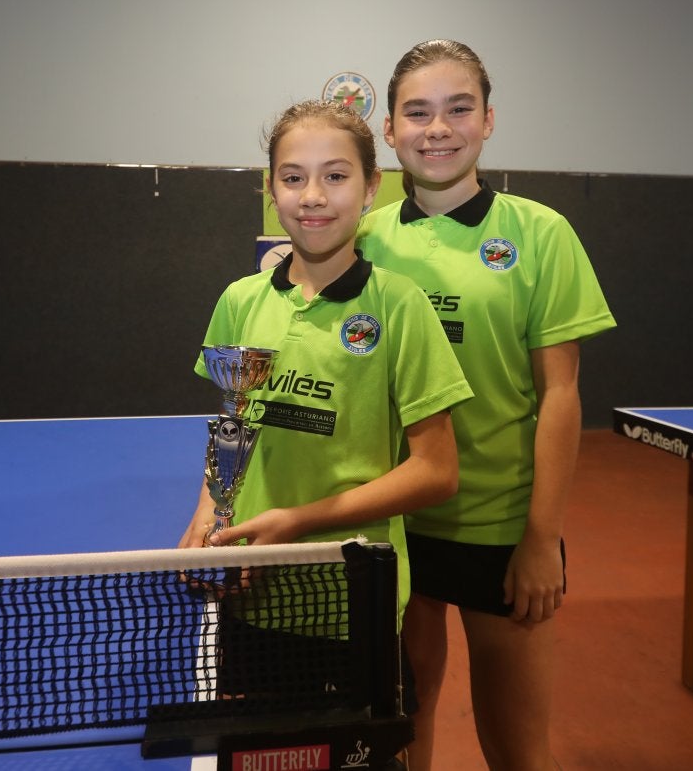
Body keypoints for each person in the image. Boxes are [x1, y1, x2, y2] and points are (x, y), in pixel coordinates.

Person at [357, 40, 617, 771]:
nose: (437, 127)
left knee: (516, 747)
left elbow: (560, 394)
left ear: (488, 120)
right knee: (404, 731)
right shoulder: (363, 237)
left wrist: (542, 537)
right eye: (418, 111)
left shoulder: (541, 233)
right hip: (395, 522)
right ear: (390, 130)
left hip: (499, 524)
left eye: (457, 108)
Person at [179, 98, 473, 705]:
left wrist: (299, 522)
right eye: (293, 177)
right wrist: (206, 516)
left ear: (371, 189)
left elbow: (438, 472)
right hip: (251, 594)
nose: (313, 195)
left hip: (353, 599)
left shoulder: (400, 305)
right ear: (270, 189)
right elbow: (234, 429)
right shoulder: (238, 300)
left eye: (336, 176)